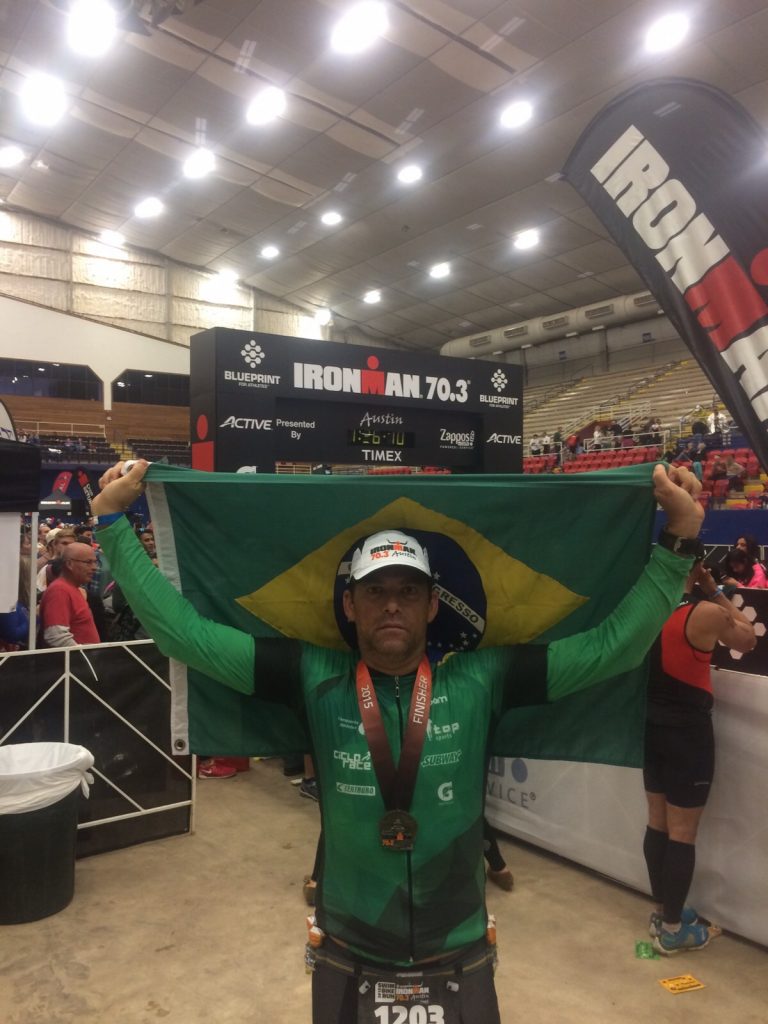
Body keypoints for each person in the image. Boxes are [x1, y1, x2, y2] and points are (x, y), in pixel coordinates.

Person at [92, 460, 703, 1024]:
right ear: (350, 604)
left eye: (408, 592)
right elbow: (184, 636)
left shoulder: (484, 678)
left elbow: (613, 649)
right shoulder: (310, 675)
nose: (392, 606)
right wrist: (111, 523)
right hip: (347, 942)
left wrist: (679, 539)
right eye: (375, 591)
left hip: (458, 941)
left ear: (433, 605)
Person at [643, 561, 756, 954]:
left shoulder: (649, 609)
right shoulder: (706, 612)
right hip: (687, 734)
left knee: (657, 823)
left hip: (650, 726)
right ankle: (673, 929)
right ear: (696, 567)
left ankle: (664, 912)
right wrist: (714, 590)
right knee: (682, 832)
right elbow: (748, 639)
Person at [39, 542, 100, 647]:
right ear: (69, 564)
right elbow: (56, 636)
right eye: (88, 562)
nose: (94, 567)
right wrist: (82, 654)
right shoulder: (59, 590)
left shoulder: (70, 588)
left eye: (95, 562)